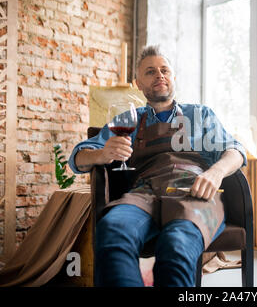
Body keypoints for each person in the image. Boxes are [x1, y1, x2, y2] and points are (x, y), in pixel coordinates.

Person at [68, 45, 247, 287]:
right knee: (112, 231)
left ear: (173, 78)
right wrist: (101, 153)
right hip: (144, 193)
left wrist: (215, 172)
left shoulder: (201, 115)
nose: (159, 75)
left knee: (176, 246)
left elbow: (235, 151)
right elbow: (78, 157)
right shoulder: (128, 118)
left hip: (193, 193)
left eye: (165, 70)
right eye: (150, 72)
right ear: (138, 83)